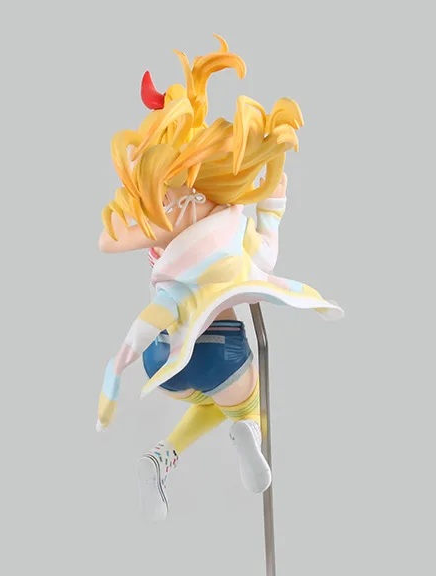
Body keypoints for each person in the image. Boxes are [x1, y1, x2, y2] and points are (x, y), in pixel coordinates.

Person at [96, 36, 343, 521]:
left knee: (212, 407)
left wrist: (145, 198)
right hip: (221, 348)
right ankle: (246, 429)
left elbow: (107, 241)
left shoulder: (158, 222)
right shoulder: (227, 218)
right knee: (249, 409)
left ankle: (160, 459)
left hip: (162, 357)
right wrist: (273, 202)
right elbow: (265, 258)